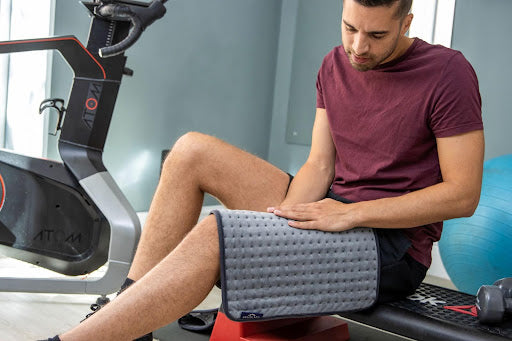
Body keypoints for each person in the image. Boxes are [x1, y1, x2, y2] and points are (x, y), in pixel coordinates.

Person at [43, 0, 484, 339]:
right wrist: (278, 226)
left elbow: (462, 195)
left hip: (388, 245)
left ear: (406, 24)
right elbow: (320, 163)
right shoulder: (335, 64)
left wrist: (351, 214)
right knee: (192, 150)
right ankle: (127, 315)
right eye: (349, 28)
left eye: (376, 34)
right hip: (329, 212)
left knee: (217, 231)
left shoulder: (448, 73)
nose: (357, 47)